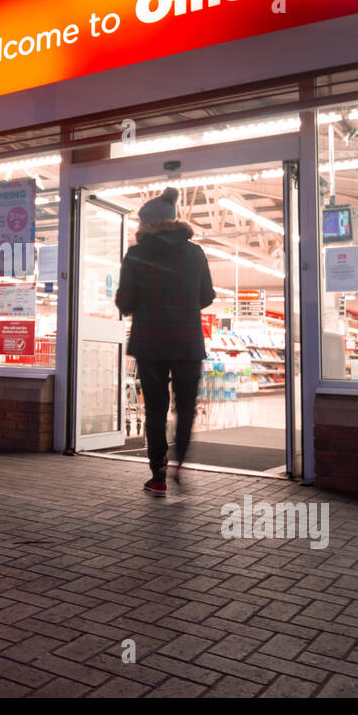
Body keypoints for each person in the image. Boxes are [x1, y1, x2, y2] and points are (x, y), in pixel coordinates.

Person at [114, 186, 215, 497]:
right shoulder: (195, 252)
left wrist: (137, 303)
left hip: (150, 343)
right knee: (185, 408)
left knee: (155, 410)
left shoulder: (136, 254)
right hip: (187, 342)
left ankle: (157, 473)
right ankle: (179, 463)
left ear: (146, 223)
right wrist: (182, 306)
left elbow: (125, 302)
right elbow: (207, 296)